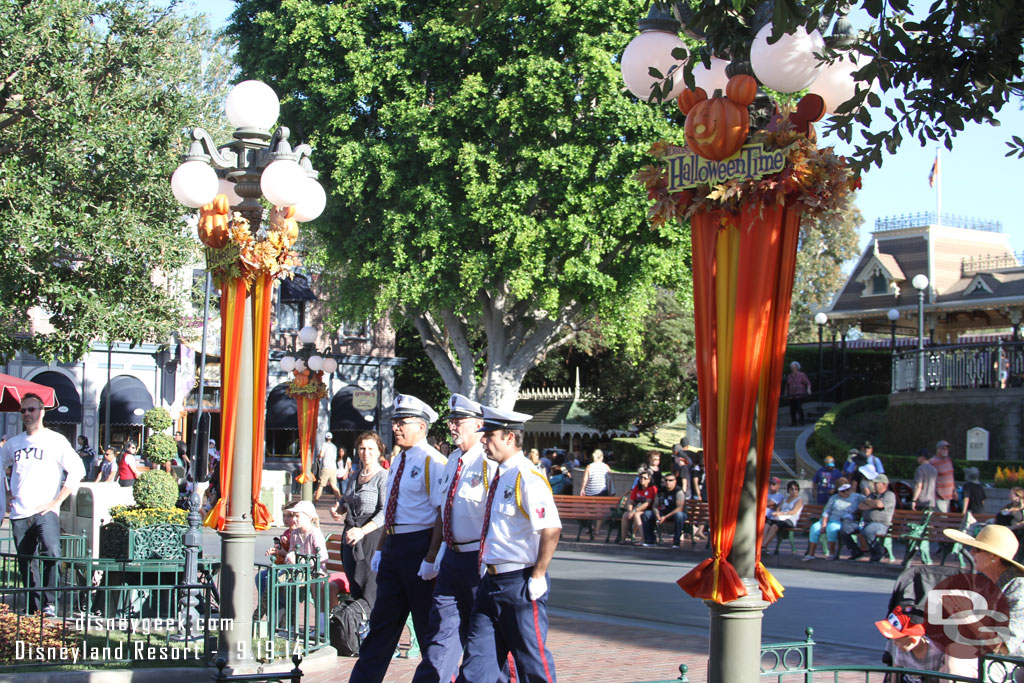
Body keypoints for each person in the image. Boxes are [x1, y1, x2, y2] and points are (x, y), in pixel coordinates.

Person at [349, 394, 447, 683]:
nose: (396, 428)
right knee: (382, 624)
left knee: (427, 625)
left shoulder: (433, 462)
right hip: (393, 547)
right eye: (394, 422)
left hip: (419, 546)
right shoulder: (398, 460)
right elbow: (391, 511)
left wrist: (431, 557)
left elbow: (440, 514)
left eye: (402, 422)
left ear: (421, 426)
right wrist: (381, 548)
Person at [459, 406, 561, 683]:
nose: (483, 440)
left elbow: (551, 528)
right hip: (491, 582)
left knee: (533, 663)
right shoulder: (501, 474)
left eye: (489, 434)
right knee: (476, 664)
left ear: (509, 437)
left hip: (520, 581)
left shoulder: (528, 476)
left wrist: (538, 575)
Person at [412, 394, 497, 683]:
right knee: (440, 629)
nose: (453, 427)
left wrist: (490, 554)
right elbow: (441, 511)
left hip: (477, 559)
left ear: (479, 425)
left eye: (459, 421)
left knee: (482, 634)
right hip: (451, 558)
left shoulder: (487, 463)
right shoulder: (452, 460)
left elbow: (495, 513)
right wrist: (432, 557)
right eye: (451, 421)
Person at [0, 393, 86, 616]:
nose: (27, 414)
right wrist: (7, 494)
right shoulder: (13, 443)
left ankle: (49, 603)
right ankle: (33, 606)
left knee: (51, 552)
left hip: (46, 510)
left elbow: (77, 469)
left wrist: (57, 500)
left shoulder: (55, 440)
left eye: (32, 409)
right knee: (26, 561)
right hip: (20, 512)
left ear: (42, 412)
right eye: (24, 411)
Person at [942, 523, 1024, 657]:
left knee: (954, 656)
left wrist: (966, 615)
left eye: (977, 549)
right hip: (984, 656)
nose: (972, 552)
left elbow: (1002, 647)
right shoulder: (985, 583)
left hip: (1012, 665)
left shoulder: (1019, 587)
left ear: (994, 557)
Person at [331, 432, 388, 610]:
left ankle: (369, 626)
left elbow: (385, 511)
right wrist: (338, 509)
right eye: (362, 448)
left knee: (369, 587)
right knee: (354, 585)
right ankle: (355, 628)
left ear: (379, 451)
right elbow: (346, 499)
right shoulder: (355, 475)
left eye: (371, 448)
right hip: (350, 535)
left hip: (371, 536)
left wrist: (362, 531)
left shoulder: (383, 476)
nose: (366, 452)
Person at [874, 605, 944, 682]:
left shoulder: (936, 652)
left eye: (897, 640)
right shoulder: (901, 650)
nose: (894, 643)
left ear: (912, 641)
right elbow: (896, 667)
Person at [802, 478, 863, 561]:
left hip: (841, 521)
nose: (846, 492)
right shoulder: (834, 498)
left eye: (847, 490)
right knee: (815, 527)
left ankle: (832, 553)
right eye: (843, 491)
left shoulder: (857, 497)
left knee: (832, 528)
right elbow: (826, 511)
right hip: (830, 519)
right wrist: (823, 524)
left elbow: (868, 500)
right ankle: (811, 554)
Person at [845, 473, 896, 562]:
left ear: (884, 484)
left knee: (869, 530)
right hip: (864, 522)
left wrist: (869, 503)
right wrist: (873, 504)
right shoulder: (872, 495)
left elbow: (880, 504)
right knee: (845, 529)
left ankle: (877, 553)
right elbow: (861, 506)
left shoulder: (889, 495)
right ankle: (856, 552)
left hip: (880, 523)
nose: (874, 485)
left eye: (876, 483)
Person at [579, 448, 611, 538]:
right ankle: (597, 530)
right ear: (601, 457)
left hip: (590, 491)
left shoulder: (590, 466)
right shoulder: (606, 467)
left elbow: (585, 479)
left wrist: (582, 489)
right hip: (602, 491)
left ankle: (590, 527)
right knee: (599, 511)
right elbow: (610, 480)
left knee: (589, 510)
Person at [763, 480, 804, 549]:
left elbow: (793, 512)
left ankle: (763, 546)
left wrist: (781, 513)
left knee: (774, 526)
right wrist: (776, 513)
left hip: (790, 520)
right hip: (780, 518)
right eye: (792, 489)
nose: (794, 491)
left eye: (796, 489)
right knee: (767, 524)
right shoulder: (785, 498)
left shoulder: (799, 500)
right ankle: (762, 544)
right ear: (788, 490)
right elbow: (779, 507)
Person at [622, 469, 657, 546]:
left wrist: (634, 511)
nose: (642, 480)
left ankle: (643, 539)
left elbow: (647, 503)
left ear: (649, 480)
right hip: (636, 509)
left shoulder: (652, 488)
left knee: (637, 515)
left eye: (645, 478)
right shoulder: (637, 488)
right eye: (641, 478)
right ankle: (623, 539)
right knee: (625, 515)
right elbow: (631, 501)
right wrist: (630, 511)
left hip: (648, 510)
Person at [654, 472, 688, 548]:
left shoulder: (678, 491)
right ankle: (649, 540)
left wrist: (665, 517)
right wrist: (657, 514)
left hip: (677, 514)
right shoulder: (660, 491)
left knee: (679, 515)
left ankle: (676, 541)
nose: (668, 482)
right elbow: (655, 506)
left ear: (675, 481)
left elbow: (679, 508)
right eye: (666, 480)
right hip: (664, 513)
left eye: (670, 480)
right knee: (648, 514)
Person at [930, 440, 955, 512]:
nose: (946, 451)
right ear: (938, 450)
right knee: (942, 518)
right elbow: (931, 480)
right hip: (939, 497)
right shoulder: (932, 462)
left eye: (947, 449)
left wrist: (954, 490)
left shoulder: (949, 460)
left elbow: (951, 476)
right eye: (943, 449)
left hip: (950, 497)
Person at [314, 432, 341, 503]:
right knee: (334, 485)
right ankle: (340, 501)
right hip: (333, 468)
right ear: (331, 438)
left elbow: (321, 455)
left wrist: (318, 456)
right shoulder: (334, 447)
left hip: (326, 467)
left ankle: (315, 502)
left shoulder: (324, 444)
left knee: (321, 485)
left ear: (325, 438)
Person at [784, 361, 812, 426]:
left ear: (797, 368)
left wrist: (808, 389)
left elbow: (808, 383)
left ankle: (802, 421)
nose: (793, 369)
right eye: (792, 367)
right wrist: (785, 393)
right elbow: (787, 386)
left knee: (799, 407)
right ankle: (794, 422)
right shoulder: (789, 376)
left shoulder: (801, 375)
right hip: (792, 395)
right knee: (792, 409)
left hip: (799, 395)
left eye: (794, 367)